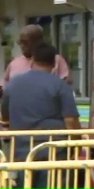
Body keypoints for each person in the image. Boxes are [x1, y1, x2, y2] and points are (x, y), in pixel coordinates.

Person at [1, 42, 80, 188]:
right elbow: (71, 120)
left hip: (21, 153)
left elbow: (5, 118)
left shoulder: (13, 84)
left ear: (32, 60)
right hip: (54, 152)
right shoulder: (60, 86)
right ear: (54, 63)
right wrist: (77, 145)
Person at [0, 25, 72, 92]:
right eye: (20, 42)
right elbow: (5, 82)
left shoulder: (54, 59)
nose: (22, 46)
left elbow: (66, 84)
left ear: (38, 41)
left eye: (25, 42)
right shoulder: (14, 63)